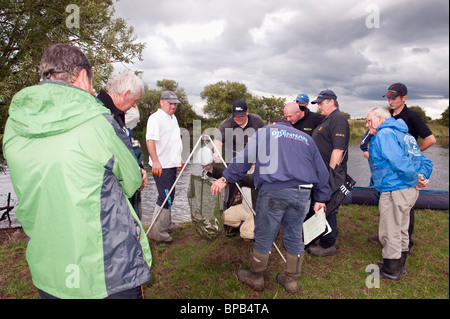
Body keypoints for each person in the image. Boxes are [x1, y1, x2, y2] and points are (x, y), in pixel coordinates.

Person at [2, 43, 152, 299]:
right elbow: (131, 180)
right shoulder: (97, 120)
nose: (93, 91)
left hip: (49, 269)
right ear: (82, 76)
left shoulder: (15, 124)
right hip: (104, 271)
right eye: (91, 83)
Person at [210, 117, 331, 294]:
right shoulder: (306, 138)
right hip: (303, 193)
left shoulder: (265, 132)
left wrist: (225, 178)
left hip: (275, 190)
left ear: (272, 125)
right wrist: (321, 198)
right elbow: (321, 170)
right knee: (295, 235)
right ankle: (291, 281)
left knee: (264, 234)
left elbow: (245, 158)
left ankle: (256, 278)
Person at [365, 107, 433, 281]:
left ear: (379, 118)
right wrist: (422, 177)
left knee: (390, 231)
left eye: (369, 121)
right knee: (402, 228)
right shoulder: (407, 136)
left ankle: (391, 271)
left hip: (395, 189)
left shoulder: (384, 134)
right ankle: (398, 264)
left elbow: (399, 162)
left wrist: (413, 179)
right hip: (409, 191)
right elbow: (424, 161)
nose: (367, 125)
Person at [367, 83, 437, 248]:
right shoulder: (385, 116)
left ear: (404, 98)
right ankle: (389, 237)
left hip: (404, 172)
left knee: (405, 208)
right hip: (388, 171)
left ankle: (405, 244)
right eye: (389, 97)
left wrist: (412, 156)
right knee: (387, 207)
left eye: (394, 97)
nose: (391, 101)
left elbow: (431, 139)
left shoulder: (412, 116)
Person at [96, 71, 148, 216]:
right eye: (135, 100)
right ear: (125, 94)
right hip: (108, 200)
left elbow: (125, 147)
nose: (133, 106)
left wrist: (138, 169)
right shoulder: (100, 115)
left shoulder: (117, 114)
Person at [309, 89, 350, 257]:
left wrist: (330, 176)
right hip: (320, 172)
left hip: (328, 173)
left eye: (321, 103)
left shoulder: (338, 119)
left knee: (328, 206)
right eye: (318, 103)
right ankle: (324, 235)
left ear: (332, 101)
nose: (319, 107)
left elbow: (338, 150)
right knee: (322, 205)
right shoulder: (328, 119)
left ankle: (328, 244)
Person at [146, 90, 184, 243]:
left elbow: (174, 141)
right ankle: (157, 232)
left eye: (175, 104)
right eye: (170, 103)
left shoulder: (172, 118)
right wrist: (155, 161)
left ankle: (167, 224)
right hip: (161, 166)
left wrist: (179, 159)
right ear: (162, 102)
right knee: (165, 197)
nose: (173, 106)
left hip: (172, 164)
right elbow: (150, 140)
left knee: (171, 195)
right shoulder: (155, 118)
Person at [213, 99, 264, 164]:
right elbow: (218, 141)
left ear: (247, 112)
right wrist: (217, 153)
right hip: (234, 161)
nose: (238, 118)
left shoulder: (257, 121)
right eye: (236, 115)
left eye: (241, 115)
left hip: (254, 161)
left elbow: (265, 140)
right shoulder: (227, 124)